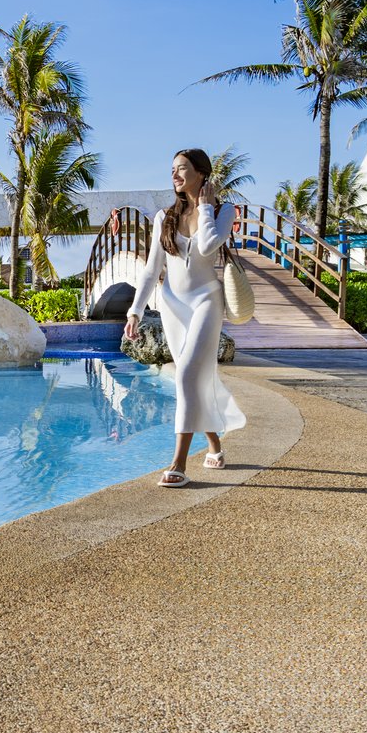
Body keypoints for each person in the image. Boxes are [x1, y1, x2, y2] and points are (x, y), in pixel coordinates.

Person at [123, 148, 246, 488]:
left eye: (182, 169)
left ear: (201, 173)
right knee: (194, 379)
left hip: (207, 299)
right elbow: (151, 271)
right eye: (172, 169)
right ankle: (215, 443)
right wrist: (135, 310)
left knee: (188, 375)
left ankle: (178, 463)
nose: (175, 175)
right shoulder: (165, 216)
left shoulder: (223, 211)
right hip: (173, 306)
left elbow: (208, 248)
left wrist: (205, 207)